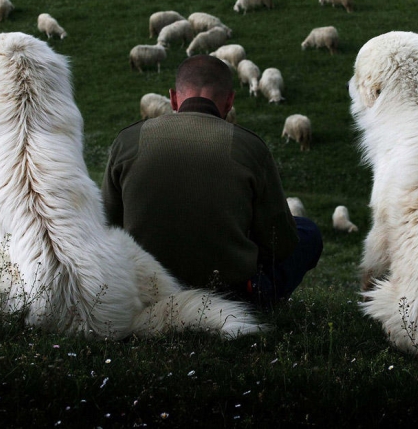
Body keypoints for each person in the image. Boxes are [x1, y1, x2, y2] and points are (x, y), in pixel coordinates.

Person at [103, 54, 323, 308]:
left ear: (173, 98)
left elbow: (107, 223)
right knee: (307, 232)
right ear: (230, 101)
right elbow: (280, 244)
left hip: (146, 291)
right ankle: (257, 303)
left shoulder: (127, 141)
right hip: (230, 296)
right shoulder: (250, 147)